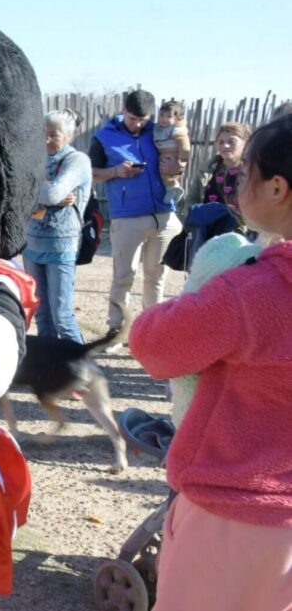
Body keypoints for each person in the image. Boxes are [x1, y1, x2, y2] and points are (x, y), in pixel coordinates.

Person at [128, 114, 292, 611]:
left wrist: (199, 291)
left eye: (246, 176)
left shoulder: (250, 291)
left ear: (277, 189)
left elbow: (154, 345)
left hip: (231, 507)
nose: (239, 184)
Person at [89, 89, 181, 347]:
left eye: (142, 120)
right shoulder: (104, 136)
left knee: (157, 277)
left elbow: (181, 155)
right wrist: (116, 171)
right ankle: (115, 331)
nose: (137, 124)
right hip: (126, 217)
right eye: (132, 118)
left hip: (164, 215)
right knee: (123, 276)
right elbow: (91, 172)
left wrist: (178, 168)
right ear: (123, 110)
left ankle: (151, 334)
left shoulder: (161, 131)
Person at [22, 109, 92, 343]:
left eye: (53, 134)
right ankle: (50, 371)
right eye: (43, 133)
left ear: (69, 136)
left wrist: (38, 191)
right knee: (42, 314)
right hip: (31, 244)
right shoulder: (34, 159)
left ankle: (81, 369)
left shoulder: (77, 160)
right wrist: (42, 193)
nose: (46, 139)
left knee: (61, 315)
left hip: (61, 246)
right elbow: (18, 191)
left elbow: (52, 193)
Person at [198, 122, 252, 208]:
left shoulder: (251, 171)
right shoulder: (208, 169)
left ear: (245, 143)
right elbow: (192, 198)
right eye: (221, 142)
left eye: (231, 142)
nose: (225, 146)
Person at [153, 100, 191, 205]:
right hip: (164, 154)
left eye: (168, 116)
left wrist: (181, 163)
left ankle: (173, 187)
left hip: (173, 155)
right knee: (164, 174)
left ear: (176, 119)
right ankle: (172, 188)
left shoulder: (177, 130)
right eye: (161, 115)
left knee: (165, 173)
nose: (164, 119)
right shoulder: (159, 128)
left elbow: (184, 147)